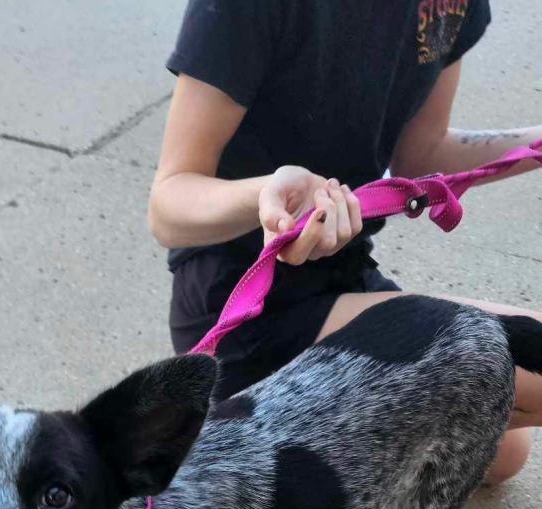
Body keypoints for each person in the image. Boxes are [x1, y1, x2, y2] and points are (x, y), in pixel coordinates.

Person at [149, 0, 541, 483]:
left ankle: (277, 454)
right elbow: (169, 202)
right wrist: (266, 195)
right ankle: (245, 436)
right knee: (512, 386)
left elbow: (422, 155)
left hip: (342, 276)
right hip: (241, 308)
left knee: (503, 452)